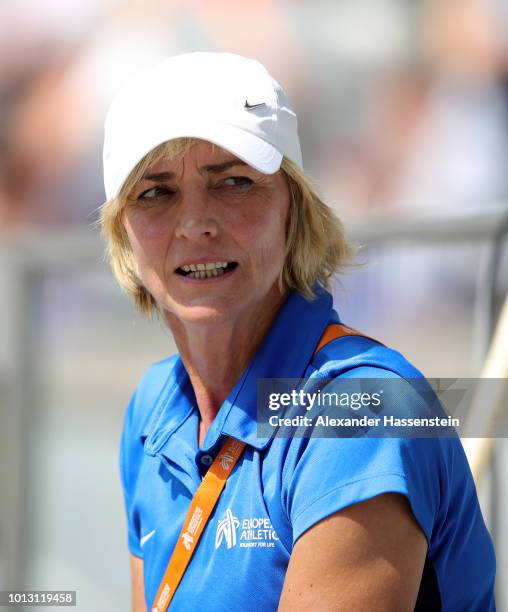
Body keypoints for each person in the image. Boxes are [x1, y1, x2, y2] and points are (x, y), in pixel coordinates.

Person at [100, 52, 496, 611]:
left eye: (234, 182)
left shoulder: (365, 410)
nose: (195, 224)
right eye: (156, 193)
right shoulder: (154, 408)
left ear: (297, 210)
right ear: (124, 233)